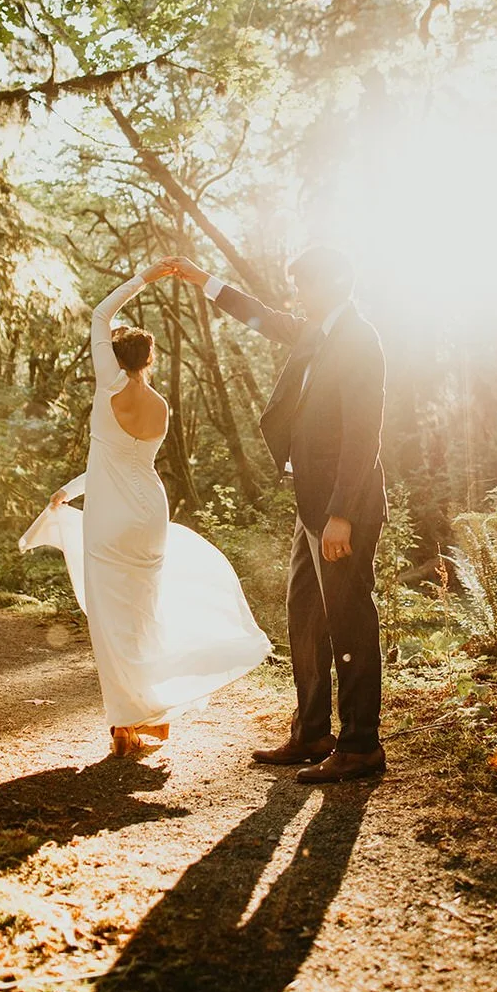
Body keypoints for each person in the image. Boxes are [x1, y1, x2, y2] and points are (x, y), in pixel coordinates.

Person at [20, 263, 271, 756]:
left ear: (111, 359)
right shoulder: (159, 405)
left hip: (111, 517)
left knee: (112, 622)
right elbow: (128, 461)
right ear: (149, 358)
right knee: (144, 614)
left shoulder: (107, 390)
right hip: (148, 511)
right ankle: (151, 713)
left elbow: (99, 314)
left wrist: (144, 278)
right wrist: (69, 491)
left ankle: (126, 724)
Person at [167, 247, 387, 783]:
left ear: (332, 282)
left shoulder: (360, 340)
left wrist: (341, 516)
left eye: (304, 285)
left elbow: (363, 438)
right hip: (311, 502)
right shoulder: (317, 332)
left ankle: (360, 744)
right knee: (306, 616)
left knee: (348, 618)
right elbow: (261, 316)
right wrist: (204, 280)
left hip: (343, 507)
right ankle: (312, 732)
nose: (297, 296)